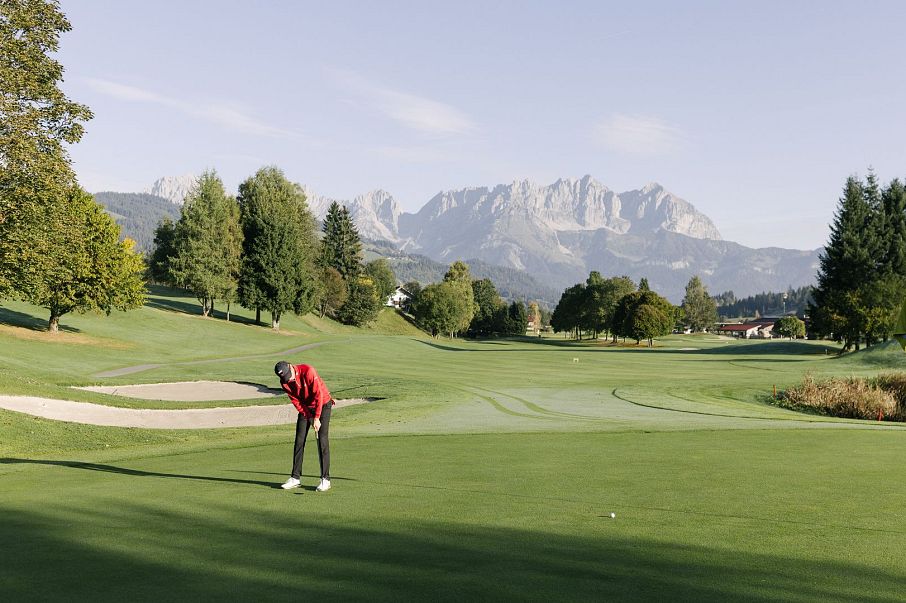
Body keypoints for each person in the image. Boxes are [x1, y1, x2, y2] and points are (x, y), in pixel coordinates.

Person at [274, 360, 335, 492]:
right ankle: (295, 478)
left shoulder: (308, 371)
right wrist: (309, 416)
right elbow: (296, 401)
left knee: (322, 440)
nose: (288, 379)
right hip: (306, 407)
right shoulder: (284, 382)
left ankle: (325, 479)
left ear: (291, 367)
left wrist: (316, 418)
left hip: (323, 404)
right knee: (299, 440)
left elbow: (318, 395)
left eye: (289, 375)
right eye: (285, 378)